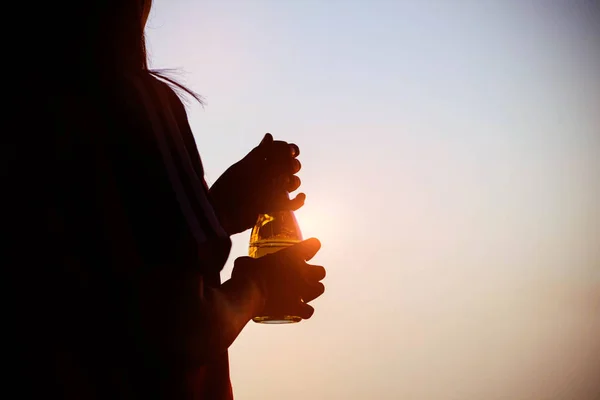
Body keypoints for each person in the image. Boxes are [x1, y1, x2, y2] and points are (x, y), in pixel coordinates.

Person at [8, 1, 325, 398]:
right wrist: (260, 284)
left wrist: (215, 213)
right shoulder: (132, 98)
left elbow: (107, 260)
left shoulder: (28, 107)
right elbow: (179, 328)